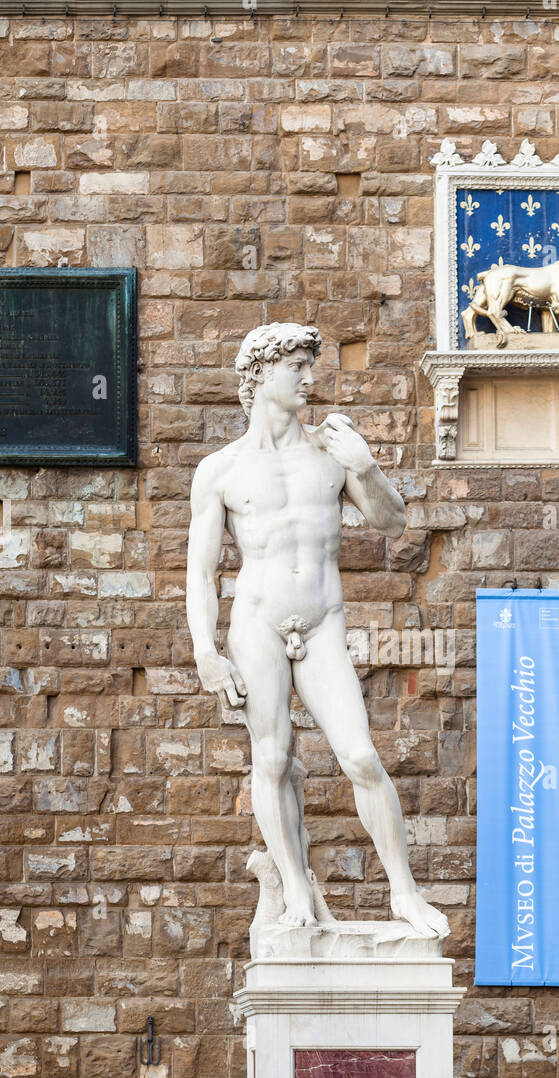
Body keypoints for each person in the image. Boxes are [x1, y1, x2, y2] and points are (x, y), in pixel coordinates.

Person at [185, 322, 449, 939]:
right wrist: (205, 650)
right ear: (260, 375)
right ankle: (297, 888)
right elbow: (201, 572)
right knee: (272, 758)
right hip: (256, 623)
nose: (309, 377)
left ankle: (405, 894)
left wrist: (369, 466)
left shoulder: (333, 452)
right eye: (297, 366)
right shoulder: (219, 470)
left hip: (324, 621)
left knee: (359, 755)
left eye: (311, 365)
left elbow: (392, 521)